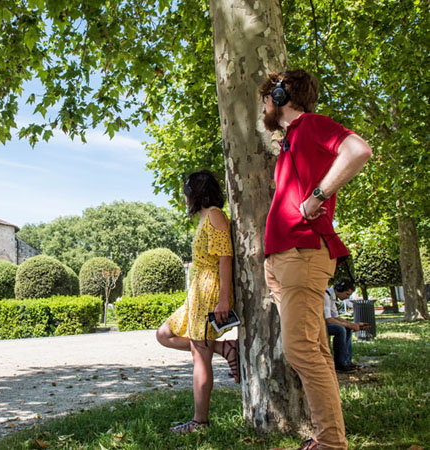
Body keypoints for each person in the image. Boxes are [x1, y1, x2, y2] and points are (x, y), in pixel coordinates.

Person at [260, 69, 372, 450]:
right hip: (284, 258)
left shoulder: (309, 125)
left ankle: (330, 443)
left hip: (302, 252)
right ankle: (330, 438)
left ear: (278, 97)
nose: (263, 107)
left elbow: (358, 150)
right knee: (315, 349)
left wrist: (318, 195)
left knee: (300, 349)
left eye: (266, 98)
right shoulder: (291, 141)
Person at [155, 170, 240, 434]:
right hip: (197, 294)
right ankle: (226, 350)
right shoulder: (206, 217)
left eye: (186, 193)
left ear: (196, 193)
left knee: (199, 356)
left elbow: (225, 257)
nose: (184, 199)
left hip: (211, 291)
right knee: (164, 334)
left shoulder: (214, 214)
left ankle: (199, 421)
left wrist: (224, 297)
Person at [325, 278, 367, 373]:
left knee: (346, 328)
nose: (347, 297)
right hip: (317, 325)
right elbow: (329, 319)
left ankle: (347, 361)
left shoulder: (332, 297)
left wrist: (352, 324)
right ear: (339, 289)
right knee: (340, 329)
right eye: (347, 294)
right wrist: (348, 325)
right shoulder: (326, 296)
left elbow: (336, 317)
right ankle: (340, 364)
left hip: (325, 323)